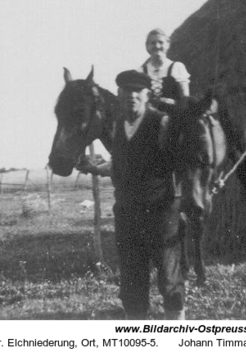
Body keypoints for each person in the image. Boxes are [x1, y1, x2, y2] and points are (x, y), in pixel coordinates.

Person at [77, 70, 185, 320]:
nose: (131, 97)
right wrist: (95, 167)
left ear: (147, 95)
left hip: (160, 213)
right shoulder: (117, 129)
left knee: (170, 280)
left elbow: (180, 165)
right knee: (132, 283)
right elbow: (120, 165)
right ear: (119, 95)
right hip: (127, 215)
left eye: (137, 92)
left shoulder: (162, 123)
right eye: (125, 93)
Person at [138, 28, 190, 112]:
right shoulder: (141, 71)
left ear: (168, 44)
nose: (157, 46)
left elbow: (185, 100)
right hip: (149, 121)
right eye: (153, 43)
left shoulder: (177, 67)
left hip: (174, 118)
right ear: (147, 46)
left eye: (160, 42)